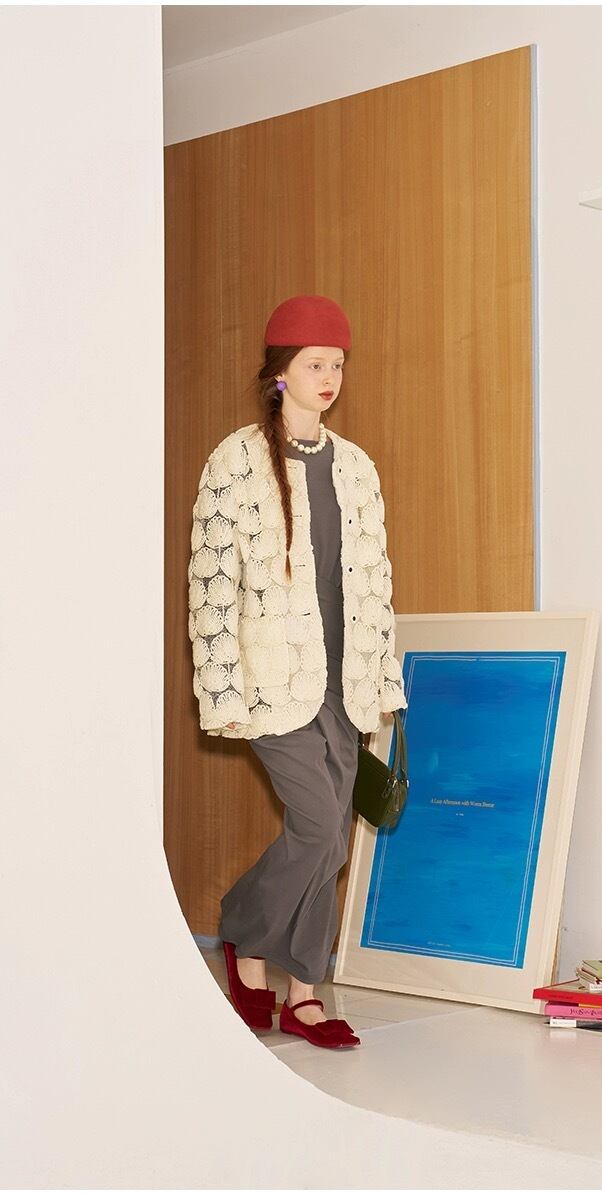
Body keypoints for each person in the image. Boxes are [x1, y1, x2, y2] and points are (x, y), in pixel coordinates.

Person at [186, 294, 408, 1049]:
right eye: (315, 364)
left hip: (346, 683)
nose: (330, 378)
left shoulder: (357, 468)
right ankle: (244, 934)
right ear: (281, 373)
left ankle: (304, 992)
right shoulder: (236, 462)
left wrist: (382, 678)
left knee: (334, 841)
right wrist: (221, 689)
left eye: (337, 364)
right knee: (316, 827)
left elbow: (374, 583)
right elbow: (211, 586)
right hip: (270, 683)